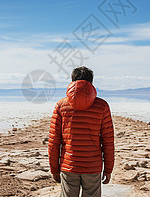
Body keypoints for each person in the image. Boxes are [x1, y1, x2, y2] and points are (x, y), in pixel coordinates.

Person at [48, 66, 114, 197]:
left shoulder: (61, 105)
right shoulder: (102, 106)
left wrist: (54, 169)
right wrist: (108, 169)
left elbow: (54, 141)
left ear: (72, 81)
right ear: (91, 82)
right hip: (92, 167)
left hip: (69, 166)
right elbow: (108, 141)